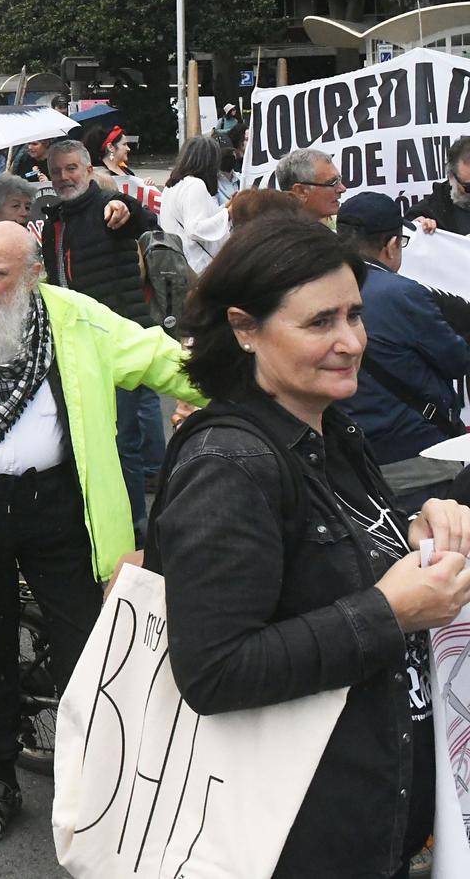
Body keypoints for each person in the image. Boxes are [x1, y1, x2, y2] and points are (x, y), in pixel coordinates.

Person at [152, 214, 470, 879]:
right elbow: (213, 670)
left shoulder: (330, 427)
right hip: (291, 842)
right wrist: (390, 611)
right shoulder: (230, 463)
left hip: (369, 828)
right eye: (320, 322)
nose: (352, 341)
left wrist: (414, 530)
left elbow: (329, 561)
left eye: (355, 314)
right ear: (244, 327)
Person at [0, 222, 199, 846]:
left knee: (91, 650)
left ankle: (95, 783)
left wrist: (224, 389)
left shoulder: (76, 318)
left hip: (61, 511)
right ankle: (0, 775)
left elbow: (160, 357)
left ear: (32, 276)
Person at [42, 137, 165, 531]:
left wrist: (122, 206)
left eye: (71, 169)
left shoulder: (107, 206)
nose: (64, 177)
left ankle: (135, 530)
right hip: (75, 345)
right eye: (56, 171)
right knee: (84, 440)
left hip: (117, 342)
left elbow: (140, 218)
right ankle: (96, 523)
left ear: (89, 169)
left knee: (122, 442)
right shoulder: (54, 220)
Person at [334, 191, 470, 508]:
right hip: (416, 456)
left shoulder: (315, 285)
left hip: (349, 456)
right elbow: (455, 360)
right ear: (392, 244)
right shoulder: (402, 293)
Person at [160, 134, 233, 273]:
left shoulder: (172, 185)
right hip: (197, 267)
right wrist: (228, 214)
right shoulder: (195, 184)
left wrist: (225, 208)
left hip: (177, 262)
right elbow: (195, 228)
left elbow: (199, 215)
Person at [411, 135, 470, 235]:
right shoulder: (433, 210)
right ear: (451, 177)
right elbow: (409, 226)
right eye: (468, 187)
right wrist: (418, 228)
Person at [272, 146, 346, 222]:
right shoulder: (281, 232)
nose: (343, 189)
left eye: (339, 180)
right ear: (300, 192)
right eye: (332, 182)